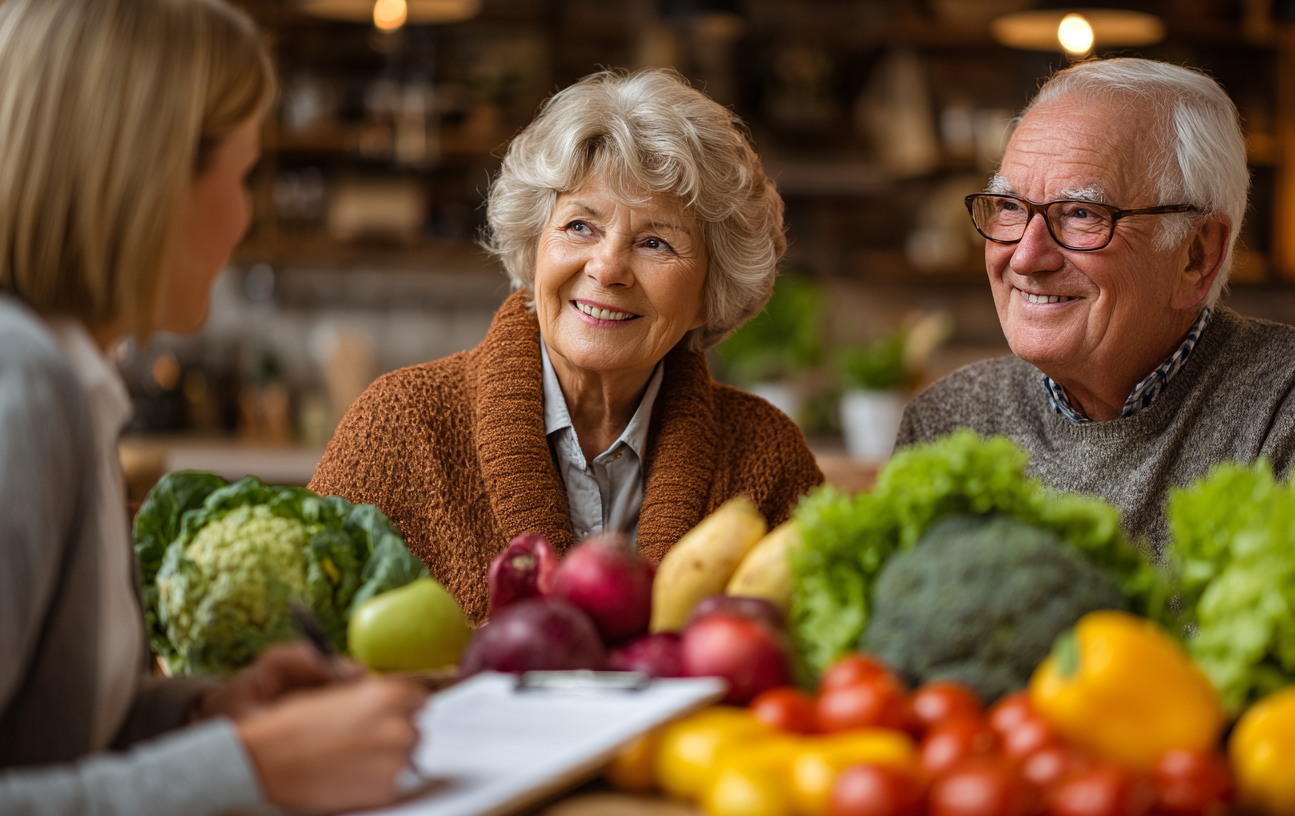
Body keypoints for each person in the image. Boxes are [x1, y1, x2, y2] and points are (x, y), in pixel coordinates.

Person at [0, 1, 425, 814]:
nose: (244, 216)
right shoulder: (19, 383)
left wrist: (202, 715)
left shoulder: (71, 378)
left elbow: (46, 734)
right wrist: (248, 772)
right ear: (148, 178)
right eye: (240, 175)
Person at [309, 68, 824, 621]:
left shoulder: (765, 460)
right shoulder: (399, 425)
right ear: (534, 250)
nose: (607, 269)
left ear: (711, 293)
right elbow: (295, 644)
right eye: (581, 226)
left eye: (655, 241)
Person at [897, 58, 1295, 549]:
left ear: (1196, 255)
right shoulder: (947, 420)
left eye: (1081, 213)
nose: (1025, 257)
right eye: (1008, 207)